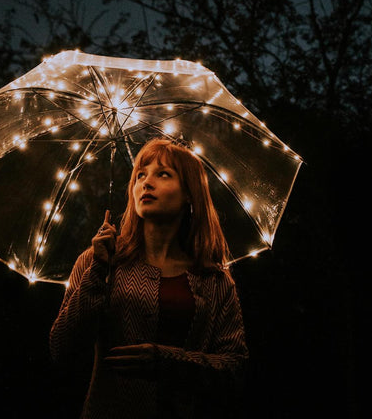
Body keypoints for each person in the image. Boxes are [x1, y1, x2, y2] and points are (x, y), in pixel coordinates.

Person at [49, 137, 248, 418]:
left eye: (162, 174)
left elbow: (235, 367)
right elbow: (62, 349)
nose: (146, 182)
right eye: (140, 175)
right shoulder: (100, 260)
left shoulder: (214, 279)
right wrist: (97, 271)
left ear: (189, 193)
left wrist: (169, 361)